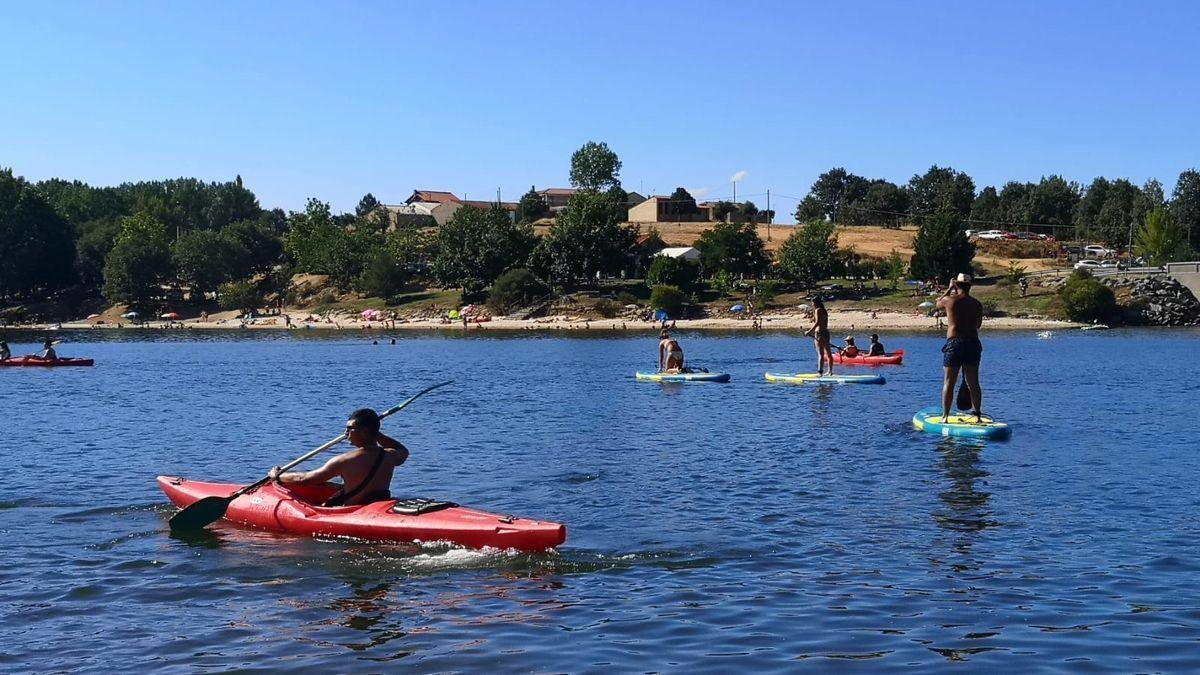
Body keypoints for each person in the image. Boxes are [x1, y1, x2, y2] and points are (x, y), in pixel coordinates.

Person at [268, 408, 409, 507]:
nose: (345, 433)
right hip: (376, 505)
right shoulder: (390, 455)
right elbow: (403, 450)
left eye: (350, 428)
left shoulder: (344, 460)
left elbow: (304, 479)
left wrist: (278, 476)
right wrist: (376, 434)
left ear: (365, 432)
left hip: (354, 511)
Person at [936, 273, 984, 423]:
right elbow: (977, 325)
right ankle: (976, 415)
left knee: (949, 381)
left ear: (957, 285)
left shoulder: (949, 301)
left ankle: (945, 417)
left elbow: (937, 303)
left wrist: (949, 288)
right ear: (970, 287)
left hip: (954, 343)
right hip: (972, 342)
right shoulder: (977, 304)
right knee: (973, 382)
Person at [803, 296, 834, 375]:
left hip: (819, 333)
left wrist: (809, 332)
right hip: (826, 333)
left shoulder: (818, 310)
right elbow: (821, 321)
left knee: (820, 354)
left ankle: (820, 372)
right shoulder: (824, 310)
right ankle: (830, 372)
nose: (812, 304)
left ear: (815, 303)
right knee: (829, 353)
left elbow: (817, 323)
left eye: (812, 303)